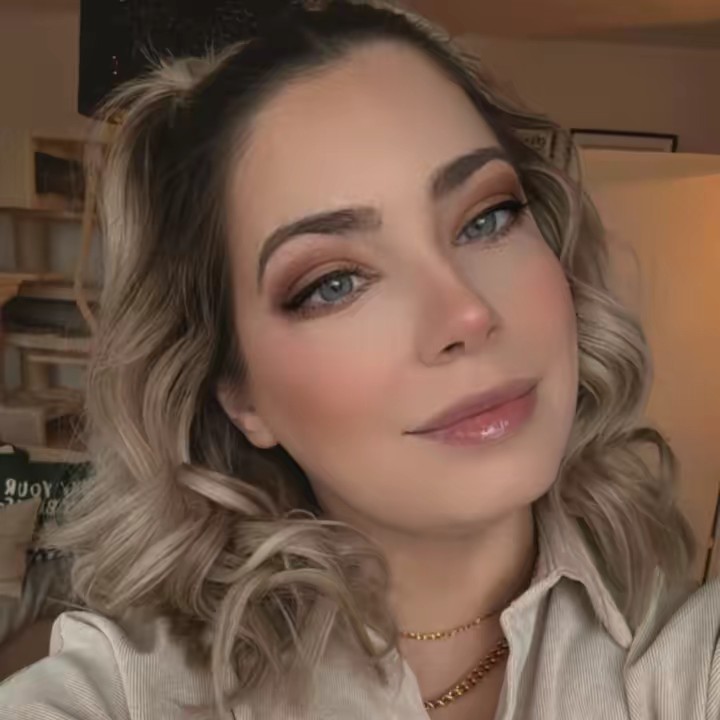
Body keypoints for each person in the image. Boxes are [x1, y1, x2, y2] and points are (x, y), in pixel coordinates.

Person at [1, 1, 718, 718]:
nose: (466, 314)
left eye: (487, 217)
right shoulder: (126, 695)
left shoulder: (688, 666)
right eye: (334, 283)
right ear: (239, 394)